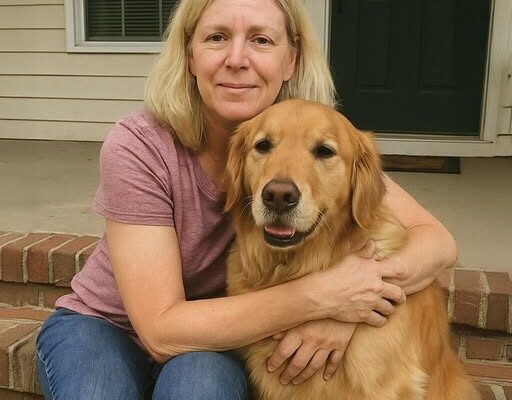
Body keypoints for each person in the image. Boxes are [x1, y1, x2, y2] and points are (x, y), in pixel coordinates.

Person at [35, 0, 458, 399]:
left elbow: (437, 242)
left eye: (261, 39)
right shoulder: (139, 146)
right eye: (217, 37)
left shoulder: (312, 136)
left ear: (290, 59)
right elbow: (161, 331)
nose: (237, 59)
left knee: (200, 388)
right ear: (190, 55)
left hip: (220, 334)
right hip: (105, 325)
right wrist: (324, 298)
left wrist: (356, 301)